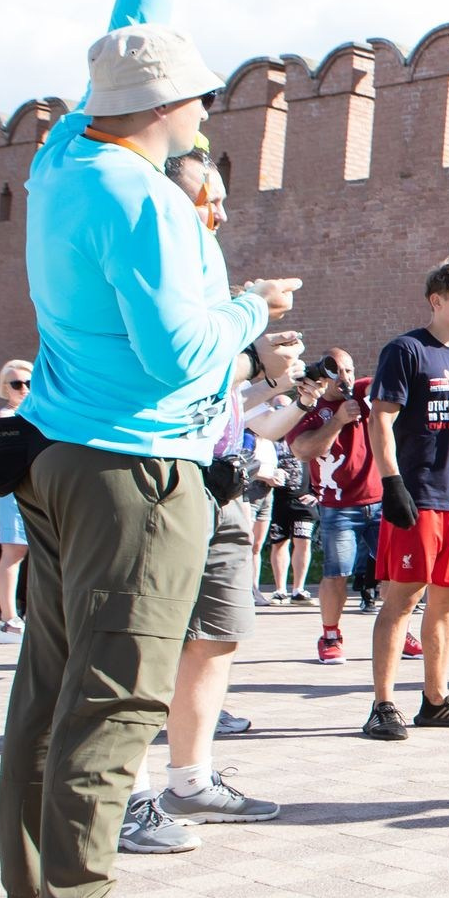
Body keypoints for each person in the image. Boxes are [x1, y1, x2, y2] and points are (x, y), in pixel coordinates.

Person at [0, 0, 303, 898]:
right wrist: (248, 310)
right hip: (140, 471)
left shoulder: (66, 157)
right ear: (175, 110)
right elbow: (184, 353)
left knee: (44, 687)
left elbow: (127, 47)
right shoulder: (151, 204)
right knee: (116, 695)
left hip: (60, 462)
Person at [119, 148, 301, 854]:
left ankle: (190, 780)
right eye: (207, 198)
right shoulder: (156, 273)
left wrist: (268, 378)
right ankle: (129, 798)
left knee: (218, 631)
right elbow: (173, 364)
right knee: (146, 642)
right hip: (167, 479)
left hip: (225, 482)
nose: (220, 212)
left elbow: (216, 388)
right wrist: (254, 344)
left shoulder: (205, 281)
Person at [359, 258, 449, 740]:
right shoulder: (406, 350)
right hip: (419, 493)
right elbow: (379, 418)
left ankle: (435, 701)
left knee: (448, 602)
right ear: (436, 301)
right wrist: (391, 481)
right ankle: (382, 705)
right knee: (403, 599)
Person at [288, 350, 413, 664]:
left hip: (382, 500)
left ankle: (400, 631)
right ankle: (330, 634)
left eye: (348, 369)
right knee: (337, 573)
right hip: (339, 506)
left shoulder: (362, 391)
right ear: (321, 375)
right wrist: (340, 420)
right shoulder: (309, 408)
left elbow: (391, 380)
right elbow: (303, 450)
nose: (343, 377)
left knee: (397, 572)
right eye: (336, 371)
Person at [0, 360, 33, 646]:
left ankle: (26, 616)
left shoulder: (36, 413)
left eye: (28, 382)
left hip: (36, 489)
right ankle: (8, 619)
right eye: (16, 383)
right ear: (5, 387)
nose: (23, 389)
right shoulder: (3, 417)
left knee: (35, 553)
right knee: (13, 551)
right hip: (13, 492)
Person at [263, 379, 323, 601]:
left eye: (285, 408)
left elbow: (319, 459)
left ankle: (299, 588)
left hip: (303, 498)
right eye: (277, 408)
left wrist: (317, 491)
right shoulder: (269, 436)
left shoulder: (302, 432)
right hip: (277, 497)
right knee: (279, 543)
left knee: (303, 540)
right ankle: (280, 589)